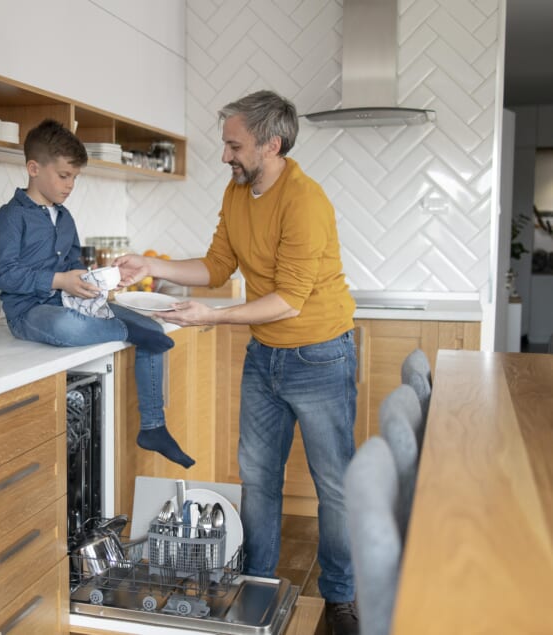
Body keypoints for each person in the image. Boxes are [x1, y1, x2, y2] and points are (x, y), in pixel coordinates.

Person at [114, 91, 359, 635]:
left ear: (272, 144)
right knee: (258, 479)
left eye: (235, 145)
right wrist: (150, 264)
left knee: (334, 486)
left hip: (320, 356)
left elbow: (289, 300)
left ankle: (341, 598)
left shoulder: (305, 202)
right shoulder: (237, 191)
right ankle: (257, 587)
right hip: (265, 356)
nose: (225, 156)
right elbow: (218, 265)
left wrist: (212, 317)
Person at [0, 118, 194, 468]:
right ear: (33, 169)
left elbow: (73, 266)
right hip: (29, 313)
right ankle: (128, 331)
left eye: (75, 178)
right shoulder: (10, 217)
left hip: (69, 301)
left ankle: (154, 426)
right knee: (68, 326)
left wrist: (100, 279)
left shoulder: (65, 217)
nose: (70, 185)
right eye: (64, 176)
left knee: (152, 328)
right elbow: (4, 275)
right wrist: (59, 281)